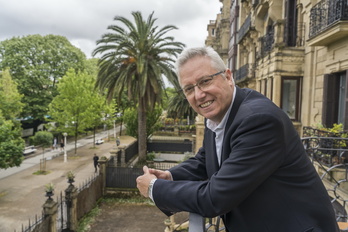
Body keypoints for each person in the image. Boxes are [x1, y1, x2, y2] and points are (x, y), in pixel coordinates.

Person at [136, 47, 339, 232]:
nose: (199, 94)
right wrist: (169, 176)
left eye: (205, 81)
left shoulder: (259, 121)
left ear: (228, 77)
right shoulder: (219, 113)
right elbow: (205, 160)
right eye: (189, 89)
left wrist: (155, 188)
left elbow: (215, 198)